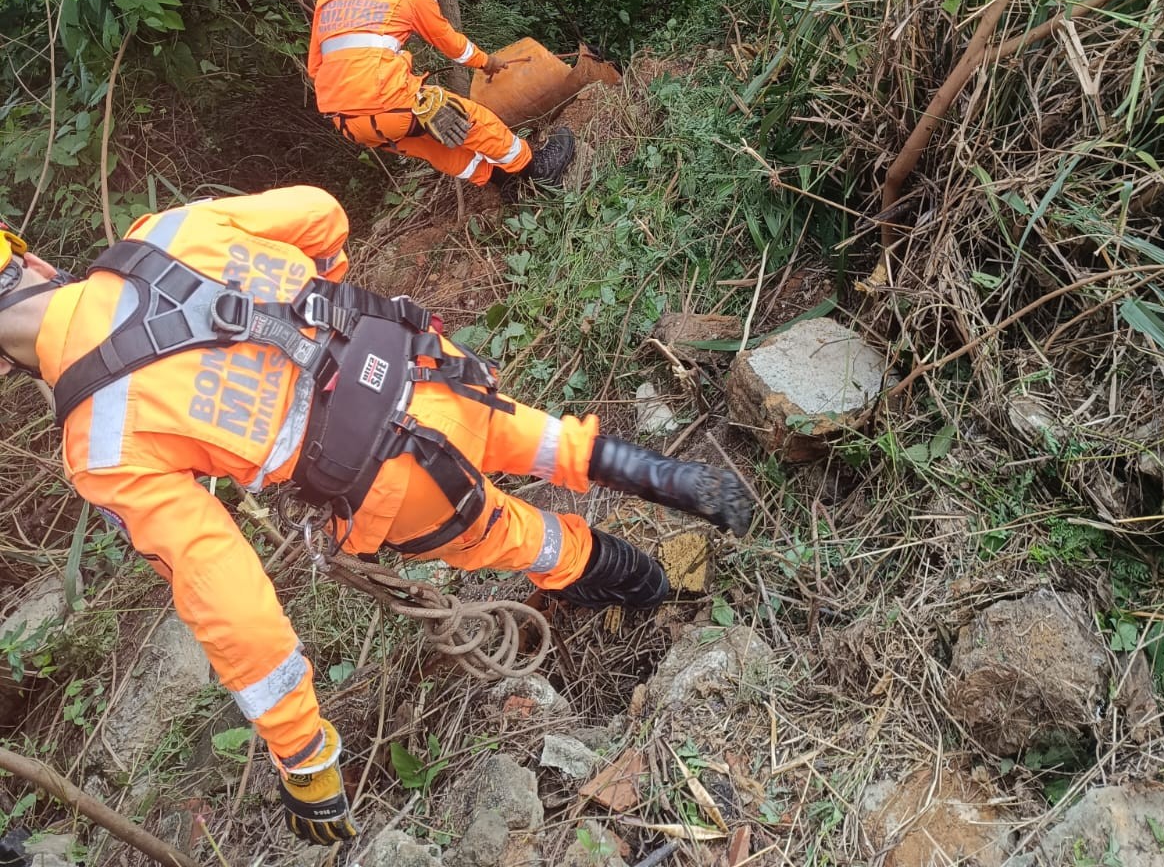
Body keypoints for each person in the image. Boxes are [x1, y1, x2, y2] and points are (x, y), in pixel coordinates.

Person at [0, 191, 752, 845]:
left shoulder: (97, 442)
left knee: (521, 535)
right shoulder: (162, 233)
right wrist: (317, 308)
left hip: (391, 482)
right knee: (542, 437)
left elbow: (225, 594)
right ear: (28, 264)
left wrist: (306, 760)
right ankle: (665, 476)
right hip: (425, 365)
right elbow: (321, 214)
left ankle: (646, 584)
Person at [308, 0, 574, 191]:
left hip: (346, 122)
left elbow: (316, 68)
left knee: (433, 147)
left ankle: (503, 181)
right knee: (474, 121)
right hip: (392, 105)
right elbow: (452, 45)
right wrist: (487, 62)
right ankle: (537, 168)